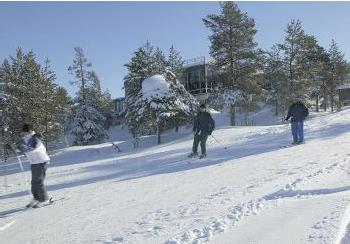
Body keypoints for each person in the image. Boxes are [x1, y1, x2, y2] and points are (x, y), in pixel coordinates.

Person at [18, 123, 51, 208]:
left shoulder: (36, 138)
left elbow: (33, 148)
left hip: (42, 161)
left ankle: (44, 199)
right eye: (24, 131)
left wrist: (22, 149)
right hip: (34, 162)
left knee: (39, 181)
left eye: (26, 131)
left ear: (30, 130)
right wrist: (17, 148)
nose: (24, 133)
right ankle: (36, 198)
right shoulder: (25, 139)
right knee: (33, 182)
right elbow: (22, 147)